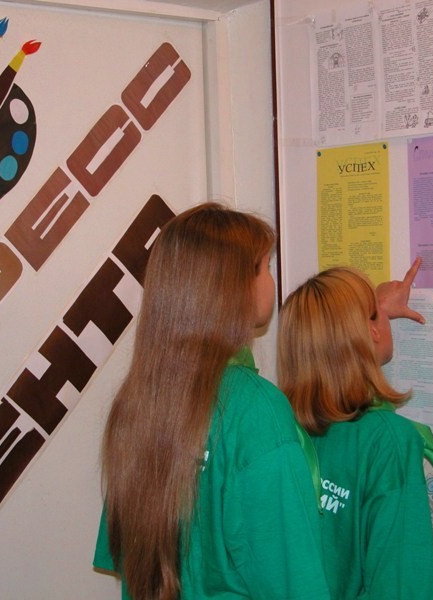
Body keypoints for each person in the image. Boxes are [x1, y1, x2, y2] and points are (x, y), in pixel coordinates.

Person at [93, 202, 331, 600]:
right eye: (265, 267)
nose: (271, 279)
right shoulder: (256, 410)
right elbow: (294, 582)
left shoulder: (138, 401)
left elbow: (128, 556)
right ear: (234, 287)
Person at [277, 259, 433, 600]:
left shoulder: (279, 430)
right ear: (372, 333)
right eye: (375, 315)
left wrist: (373, 311)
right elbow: (403, 588)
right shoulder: (388, 441)